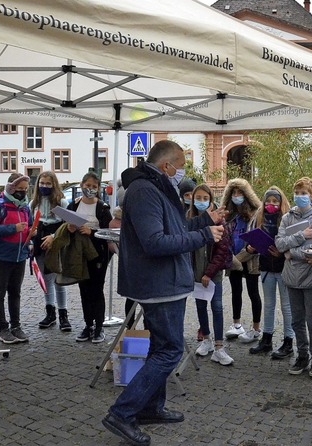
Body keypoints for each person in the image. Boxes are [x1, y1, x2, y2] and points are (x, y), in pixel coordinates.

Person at [103, 140, 224, 446]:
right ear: (165, 165)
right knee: (169, 351)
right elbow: (155, 242)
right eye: (180, 163)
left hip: (166, 283)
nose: (182, 169)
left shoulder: (157, 188)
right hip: (159, 284)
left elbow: (175, 229)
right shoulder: (144, 191)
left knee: (160, 348)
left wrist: (204, 222)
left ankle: (151, 407)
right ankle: (122, 412)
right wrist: (203, 235)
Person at [275, 177, 312, 378]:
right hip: (291, 277)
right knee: (296, 320)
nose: (299, 197)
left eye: (303, 193)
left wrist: (292, 253)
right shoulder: (287, 217)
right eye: (297, 193)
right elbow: (280, 244)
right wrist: (300, 237)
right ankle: (302, 355)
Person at [0, 173, 33, 344]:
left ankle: (16, 326)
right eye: (20, 189)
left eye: (25, 189)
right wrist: (13, 228)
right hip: (1, 257)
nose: (23, 192)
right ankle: (2, 328)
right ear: (11, 187)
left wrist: (31, 238)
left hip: (20, 256)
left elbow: (31, 226)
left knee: (15, 293)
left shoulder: (26, 207)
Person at [246, 187, 295, 357]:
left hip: (284, 268)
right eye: (268, 201)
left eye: (275, 201)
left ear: (281, 203)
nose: (271, 204)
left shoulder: (288, 218)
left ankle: (289, 341)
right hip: (266, 267)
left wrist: (282, 253)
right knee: (268, 304)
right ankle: (266, 339)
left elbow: (294, 243)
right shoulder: (258, 217)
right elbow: (250, 237)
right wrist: (250, 247)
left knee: (286, 306)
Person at [189, 184, 235, 366]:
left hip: (213, 272)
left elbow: (222, 250)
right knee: (200, 306)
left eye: (204, 198)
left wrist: (209, 273)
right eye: (198, 198)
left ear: (211, 199)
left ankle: (219, 347)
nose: (201, 202)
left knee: (216, 306)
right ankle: (206, 339)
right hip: (195, 272)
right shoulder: (189, 219)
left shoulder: (218, 220)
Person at [67, 171, 113, 344]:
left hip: (99, 255)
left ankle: (99, 327)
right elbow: (66, 227)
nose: (90, 189)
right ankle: (88, 325)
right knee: (84, 290)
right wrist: (70, 229)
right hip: (80, 255)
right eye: (88, 186)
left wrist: (91, 232)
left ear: (99, 189)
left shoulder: (102, 208)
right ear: (81, 186)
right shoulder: (74, 205)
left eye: (94, 187)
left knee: (96, 290)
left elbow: (108, 232)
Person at [220, 178, 263, 342]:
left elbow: (258, 237)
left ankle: (256, 328)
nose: (237, 196)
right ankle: (236, 324)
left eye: (240, 192)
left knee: (253, 292)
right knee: (235, 291)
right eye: (234, 193)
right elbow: (224, 236)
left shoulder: (255, 213)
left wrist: (242, 255)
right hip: (232, 257)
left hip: (250, 258)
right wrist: (230, 255)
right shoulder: (228, 215)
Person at [30, 171, 71, 332]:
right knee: (46, 281)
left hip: (56, 244)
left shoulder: (61, 202)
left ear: (54, 184)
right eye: (42, 183)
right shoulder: (33, 203)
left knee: (58, 281)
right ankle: (50, 313)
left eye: (48, 184)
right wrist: (31, 240)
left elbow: (68, 225)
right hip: (39, 244)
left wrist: (53, 237)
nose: (44, 187)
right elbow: (30, 224)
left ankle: (63, 315)